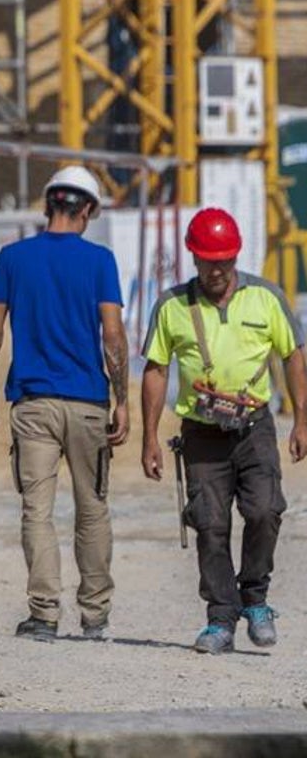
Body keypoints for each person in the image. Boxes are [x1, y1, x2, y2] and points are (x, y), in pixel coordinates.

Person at [141, 207, 307, 654]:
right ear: (193, 258)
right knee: (210, 524)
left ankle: (255, 600)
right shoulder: (173, 306)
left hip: (254, 431)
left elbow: (293, 355)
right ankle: (220, 618)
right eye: (209, 260)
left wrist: (302, 422)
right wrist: (149, 438)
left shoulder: (266, 298)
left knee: (265, 510)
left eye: (226, 260)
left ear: (236, 256)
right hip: (201, 434)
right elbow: (156, 370)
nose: (218, 270)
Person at [0, 165, 129, 641]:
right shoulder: (100, 261)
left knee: (36, 512)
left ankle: (43, 614)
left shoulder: (12, 258)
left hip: (34, 403)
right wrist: (122, 399)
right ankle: (95, 615)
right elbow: (114, 336)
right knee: (92, 508)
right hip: (87, 403)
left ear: (47, 205)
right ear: (87, 209)